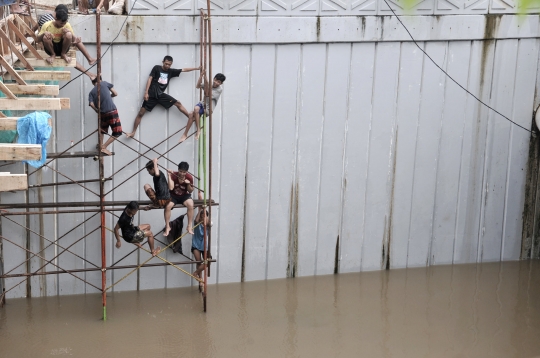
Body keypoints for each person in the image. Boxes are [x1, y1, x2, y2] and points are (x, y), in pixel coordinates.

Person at [126, 56, 201, 138]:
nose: (167, 66)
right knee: (140, 113)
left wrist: (197, 68)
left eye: (169, 64)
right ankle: (133, 132)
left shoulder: (171, 71)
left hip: (161, 95)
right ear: (163, 62)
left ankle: (190, 117)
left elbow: (184, 69)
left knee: (178, 103)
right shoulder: (156, 68)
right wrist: (146, 92)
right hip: (151, 95)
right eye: (166, 64)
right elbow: (150, 79)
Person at [37, 8, 97, 78]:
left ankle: (63, 54)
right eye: (61, 23)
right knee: (45, 37)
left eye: (64, 23)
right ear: (56, 19)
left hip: (63, 48)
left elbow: (74, 40)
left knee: (68, 34)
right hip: (51, 48)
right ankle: (53, 55)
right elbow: (38, 40)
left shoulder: (67, 25)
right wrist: (44, 33)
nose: (63, 25)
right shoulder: (47, 25)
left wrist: (75, 41)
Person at [179, 71, 226, 143]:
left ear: (221, 83)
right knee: (192, 112)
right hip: (202, 103)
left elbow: (207, 94)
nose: (216, 83)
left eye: (219, 82)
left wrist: (206, 79)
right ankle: (185, 134)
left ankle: (197, 130)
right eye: (216, 80)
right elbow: (197, 86)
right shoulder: (209, 84)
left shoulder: (219, 89)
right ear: (214, 79)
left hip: (208, 108)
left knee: (194, 112)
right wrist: (201, 76)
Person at [89, 77, 121, 155]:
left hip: (102, 113)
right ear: (100, 80)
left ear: (93, 83)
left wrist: (97, 110)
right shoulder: (104, 83)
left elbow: (91, 104)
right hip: (112, 111)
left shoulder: (91, 92)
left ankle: (100, 145)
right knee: (117, 132)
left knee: (102, 131)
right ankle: (103, 147)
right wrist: (109, 96)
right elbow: (115, 93)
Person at [165, 161, 194, 236]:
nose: (182, 173)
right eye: (180, 171)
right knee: (168, 206)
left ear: (186, 172)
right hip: (173, 195)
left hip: (184, 195)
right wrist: (169, 175)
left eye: (184, 172)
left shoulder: (189, 177)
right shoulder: (173, 175)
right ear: (178, 170)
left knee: (191, 205)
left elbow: (190, 190)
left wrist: (188, 184)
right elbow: (171, 188)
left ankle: (189, 226)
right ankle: (168, 227)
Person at [143, 158, 172, 231]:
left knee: (146, 186)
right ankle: (156, 203)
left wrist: (155, 162)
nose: (148, 172)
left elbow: (156, 173)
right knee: (149, 186)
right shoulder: (158, 175)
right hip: (168, 199)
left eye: (148, 170)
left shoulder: (158, 174)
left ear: (152, 169)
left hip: (162, 200)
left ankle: (156, 204)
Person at [191, 191, 211, 288]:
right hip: (196, 246)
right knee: (199, 262)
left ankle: (195, 273)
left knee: (208, 261)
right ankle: (200, 280)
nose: (202, 217)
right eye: (201, 216)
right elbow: (197, 217)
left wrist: (204, 209)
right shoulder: (196, 224)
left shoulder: (208, 225)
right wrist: (200, 210)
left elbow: (208, 221)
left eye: (204, 215)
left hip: (204, 246)